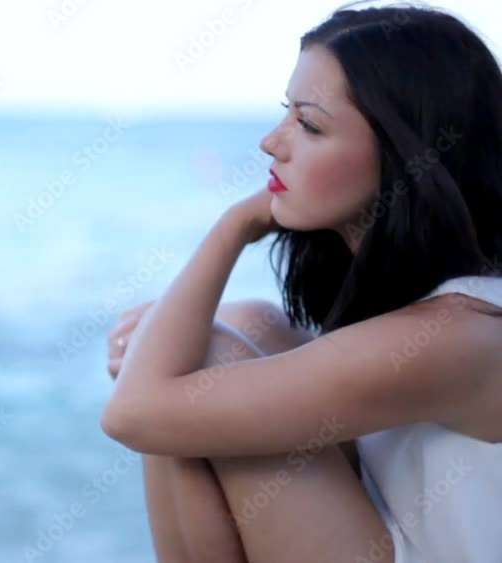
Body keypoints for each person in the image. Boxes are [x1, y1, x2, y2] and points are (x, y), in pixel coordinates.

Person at [100, 3, 502, 562]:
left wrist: (234, 225)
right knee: (239, 325)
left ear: (402, 154)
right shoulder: (432, 308)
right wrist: (161, 346)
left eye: (308, 124)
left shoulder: (460, 332)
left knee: (199, 365)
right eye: (286, 113)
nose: (271, 142)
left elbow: (132, 414)